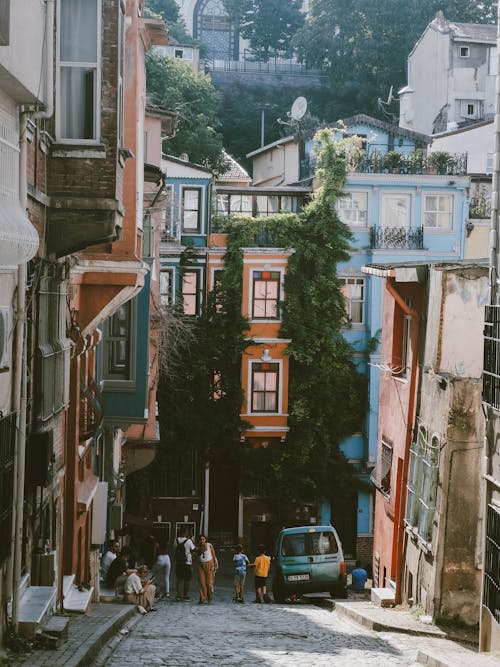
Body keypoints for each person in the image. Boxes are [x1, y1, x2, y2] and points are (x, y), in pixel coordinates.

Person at [195, 534, 218, 604]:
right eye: (200, 539)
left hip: (209, 564)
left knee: (209, 582)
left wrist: (214, 564)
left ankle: (209, 596)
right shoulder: (197, 547)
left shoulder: (209, 545)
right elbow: (195, 557)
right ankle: (203, 598)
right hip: (200, 565)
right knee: (202, 582)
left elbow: (213, 555)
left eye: (203, 539)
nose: (202, 541)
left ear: (205, 540)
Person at [174, 529, 195, 601]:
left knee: (179, 579)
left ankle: (179, 596)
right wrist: (193, 540)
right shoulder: (189, 541)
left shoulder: (176, 540)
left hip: (178, 562)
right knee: (187, 579)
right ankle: (185, 595)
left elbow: (174, 548)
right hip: (187, 562)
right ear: (186, 533)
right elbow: (193, 549)